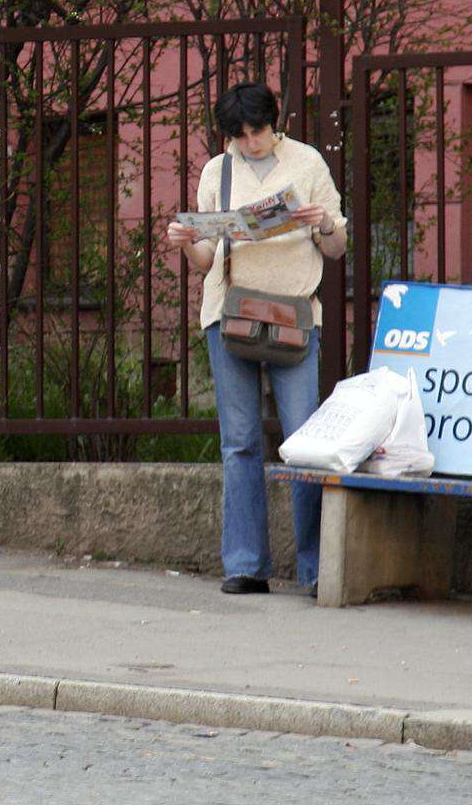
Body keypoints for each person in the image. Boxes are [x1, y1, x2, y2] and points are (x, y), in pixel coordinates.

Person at [165, 82, 347, 596]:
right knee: (240, 442)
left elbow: (336, 247)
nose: (251, 143)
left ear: (275, 122)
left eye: (258, 131)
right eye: (240, 136)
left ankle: (316, 569)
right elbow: (207, 260)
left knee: (305, 443)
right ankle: (245, 565)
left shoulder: (307, 162)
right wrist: (187, 242)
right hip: (230, 314)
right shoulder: (217, 172)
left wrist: (324, 222)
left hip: (293, 314)